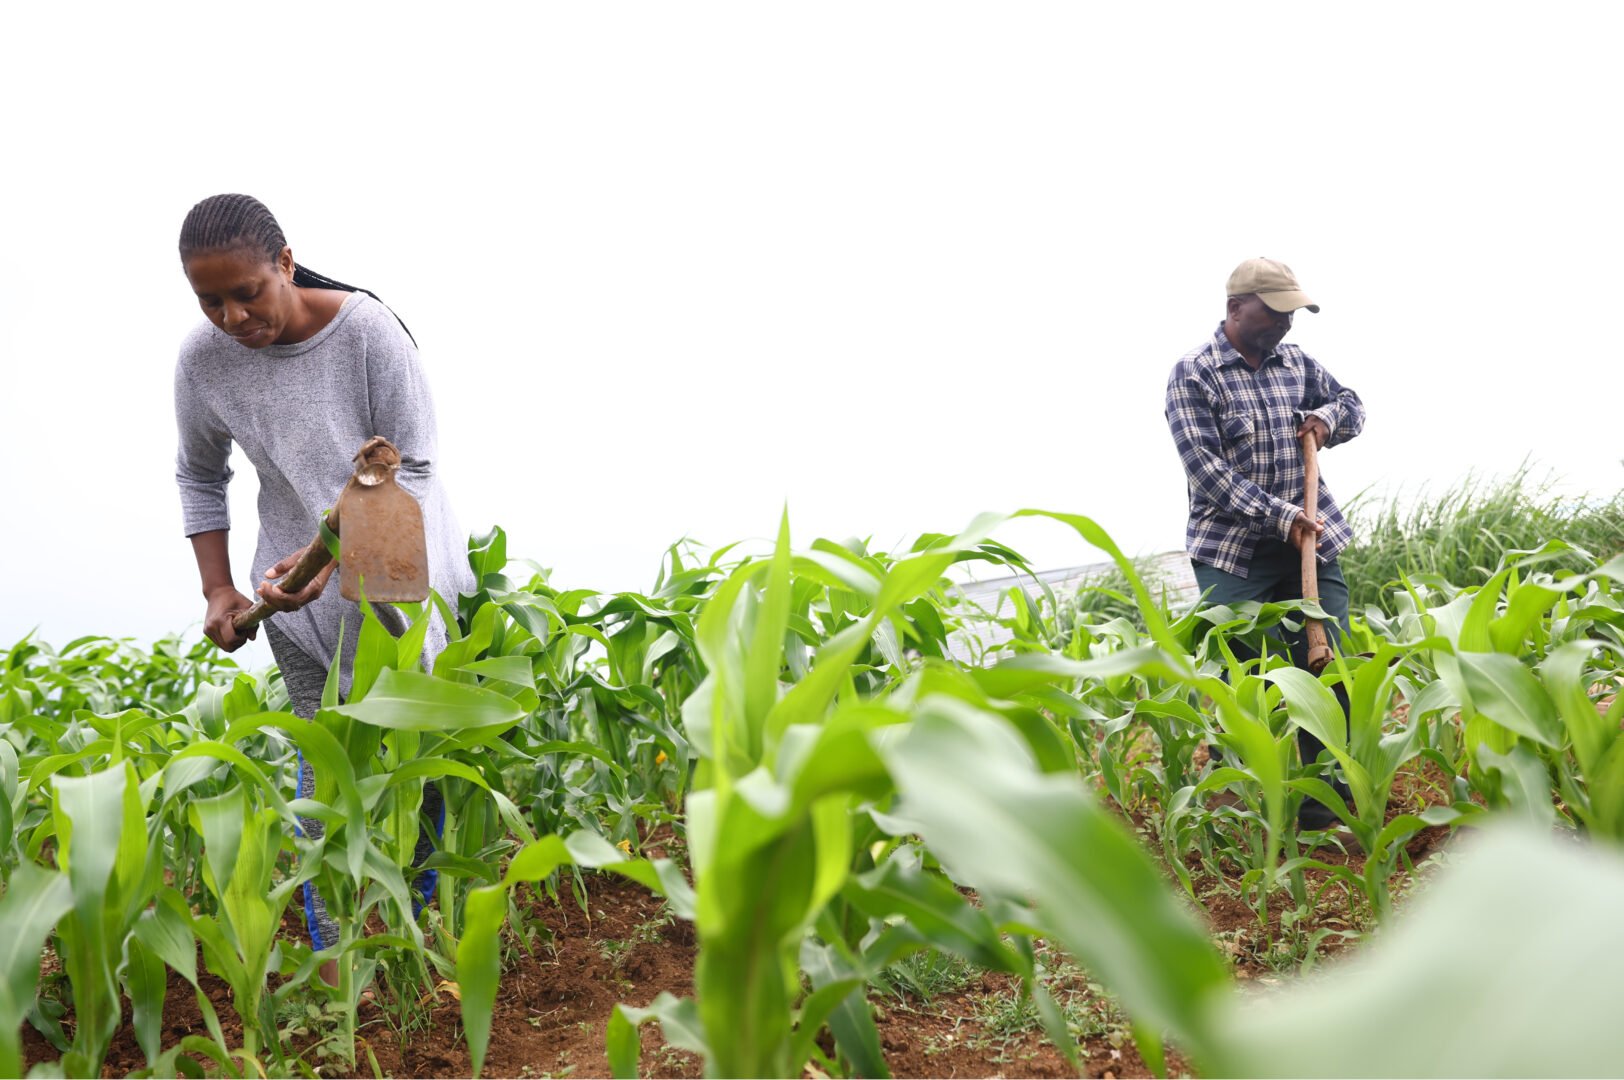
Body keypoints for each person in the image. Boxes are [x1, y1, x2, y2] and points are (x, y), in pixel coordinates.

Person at [173, 193, 475, 969]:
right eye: (211, 301)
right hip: (289, 591)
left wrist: (332, 558)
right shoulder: (202, 363)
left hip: (398, 574)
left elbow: (413, 463)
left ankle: (423, 953)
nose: (234, 318)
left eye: (248, 293)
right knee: (324, 773)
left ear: (285, 262)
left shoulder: (365, 331)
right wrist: (218, 591)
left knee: (416, 767)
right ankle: (344, 974)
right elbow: (199, 475)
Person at [1165, 257, 1365, 831]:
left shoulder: (1295, 363)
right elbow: (1207, 472)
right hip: (1233, 550)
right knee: (1245, 671)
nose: (1286, 323)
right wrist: (1282, 517)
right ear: (1235, 308)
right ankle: (1235, 792)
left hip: (1310, 540)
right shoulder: (1194, 374)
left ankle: (1321, 805)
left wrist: (1327, 420)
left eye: (1292, 313)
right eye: (1274, 312)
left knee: (1329, 661)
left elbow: (1352, 403)